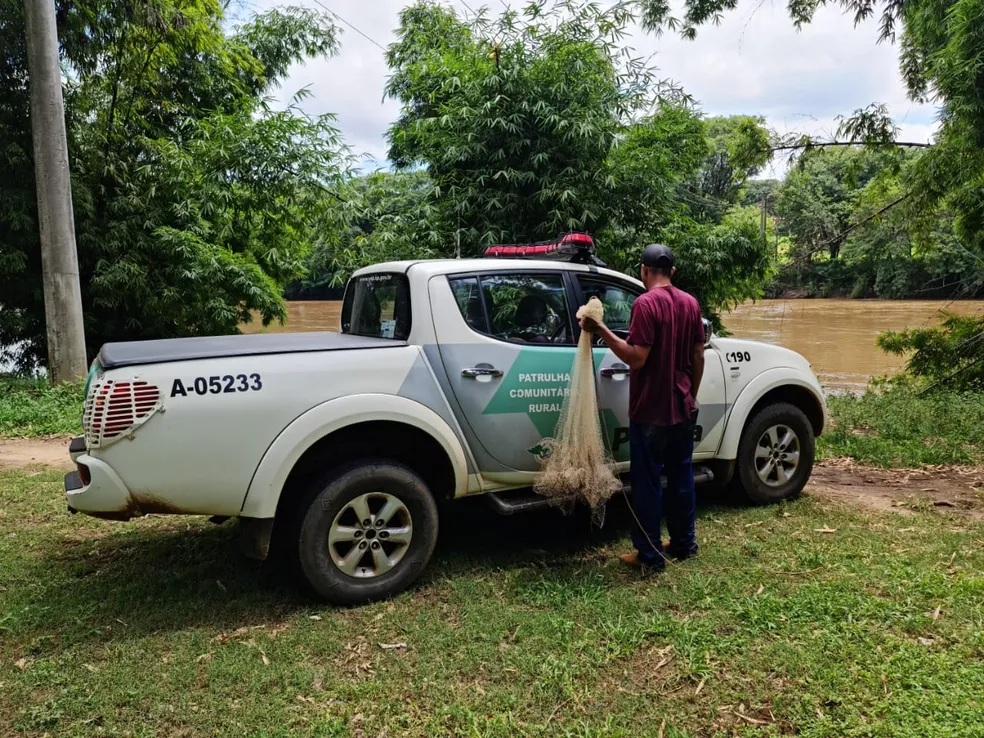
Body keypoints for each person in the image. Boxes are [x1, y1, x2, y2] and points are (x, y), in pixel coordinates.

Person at [579, 243, 705, 570]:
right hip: (682, 405)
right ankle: (683, 544)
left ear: (644, 271)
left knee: (648, 482)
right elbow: (698, 355)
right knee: (681, 476)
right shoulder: (691, 303)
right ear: (672, 272)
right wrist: (690, 394)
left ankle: (649, 555)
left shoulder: (646, 304)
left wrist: (600, 329)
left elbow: (637, 358)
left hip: (651, 410)